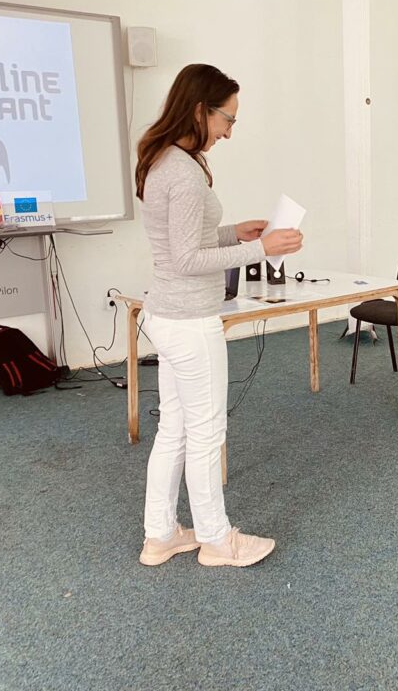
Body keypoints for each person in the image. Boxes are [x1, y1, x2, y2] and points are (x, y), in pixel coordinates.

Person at [135, 64, 303, 566]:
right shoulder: (183, 173)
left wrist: (237, 233)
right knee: (206, 433)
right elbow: (187, 260)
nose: (230, 131)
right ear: (199, 110)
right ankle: (216, 539)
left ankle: (160, 535)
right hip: (189, 321)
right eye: (227, 119)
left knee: (175, 430)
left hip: (167, 315)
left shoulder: (162, 159)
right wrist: (262, 250)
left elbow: (181, 243)